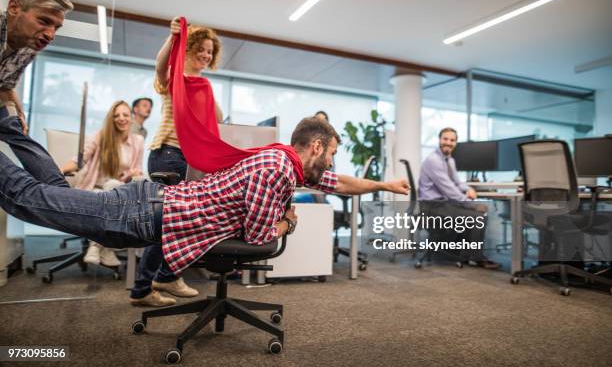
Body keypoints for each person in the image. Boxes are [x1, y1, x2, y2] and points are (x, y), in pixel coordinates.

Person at [0, 114, 409, 292]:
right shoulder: (279, 170)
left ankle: (9, 127)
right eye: (332, 154)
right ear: (317, 147)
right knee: (28, 199)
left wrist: (385, 185)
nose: (333, 163)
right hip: (142, 214)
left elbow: (339, 183)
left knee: (52, 191)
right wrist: (288, 221)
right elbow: (261, 234)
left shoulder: (283, 156)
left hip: (150, 204)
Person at [129, 18, 225, 306]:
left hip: (183, 157)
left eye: (210, 52)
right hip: (169, 153)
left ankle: (163, 278)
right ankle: (148, 286)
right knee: (169, 222)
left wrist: (205, 92)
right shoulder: (175, 78)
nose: (206, 56)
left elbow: (218, 118)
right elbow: (160, 66)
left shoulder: (200, 84)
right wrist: (173, 39)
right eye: (202, 49)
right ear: (190, 47)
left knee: (176, 220)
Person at [60, 100, 144, 267]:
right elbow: (79, 160)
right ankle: (105, 247)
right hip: (94, 190)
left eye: (125, 115)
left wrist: (134, 173)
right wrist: (59, 170)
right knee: (111, 192)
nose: (121, 118)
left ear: (131, 118)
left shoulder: (138, 141)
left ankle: (95, 245)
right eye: (116, 115)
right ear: (111, 119)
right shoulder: (101, 136)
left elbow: (137, 169)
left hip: (118, 191)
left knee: (114, 187)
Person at [418, 127, 500, 269]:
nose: (448, 142)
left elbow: (457, 183)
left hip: (444, 204)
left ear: (455, 143)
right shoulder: (434, 160)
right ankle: (475, 257)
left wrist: (468, 189)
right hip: (432, 207)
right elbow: (449, 190)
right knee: (477, 217)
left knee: (476, 214)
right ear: (439, 140)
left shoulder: (450, 160)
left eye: (452, 140)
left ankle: (467, 255)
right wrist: (471, 204)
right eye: (445, 139)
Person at [0, 0, 73, 131]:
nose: (51, 35)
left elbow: (5, 85)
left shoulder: (29, 47)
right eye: (44, 21)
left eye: (56, 28)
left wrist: (19, 114)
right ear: (14, 8)